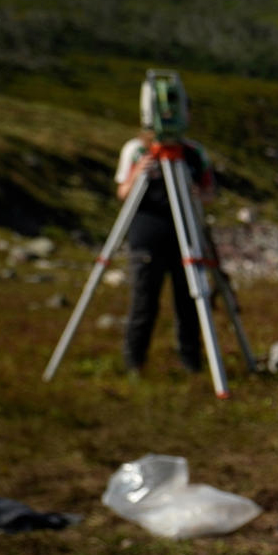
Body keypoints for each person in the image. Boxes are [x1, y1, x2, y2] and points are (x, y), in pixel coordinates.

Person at [114, 101, 216, 377]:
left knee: (190, 303)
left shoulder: (193, 153)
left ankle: (191, 362)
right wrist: (138, 174)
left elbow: (210, 193)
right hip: (147, 238)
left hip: (186, 238)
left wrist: (196, 192)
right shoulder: (136, 150)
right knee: (144, 303)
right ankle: (134, 364)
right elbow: (123, 192)